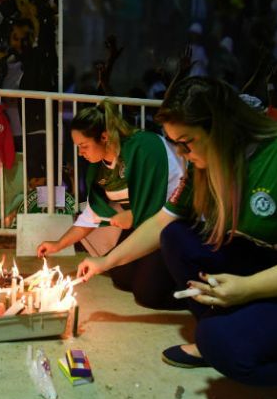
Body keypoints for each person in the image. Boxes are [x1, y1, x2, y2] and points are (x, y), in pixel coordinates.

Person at [76, 76, 277, 399]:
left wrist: (250, 288)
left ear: (225, 128)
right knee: (177, 237)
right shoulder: (204, 164)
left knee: (223, 346)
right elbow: (162, 223)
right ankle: (235, 326)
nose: (182, 153)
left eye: (187, 142)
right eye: (175, 144)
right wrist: (104, 262)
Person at [36, 100, 185, 310]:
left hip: (172, 223)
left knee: (148, 294)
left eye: (84, 146)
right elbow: (92, 215)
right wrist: (58, 244)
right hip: (143, 220)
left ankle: (194, 292)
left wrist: (133, 215)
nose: (80, 153)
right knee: (121, 276)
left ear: (104, 137)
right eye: (77, 147)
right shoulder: (101, 167)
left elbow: (165, 198)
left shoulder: (144, 148)